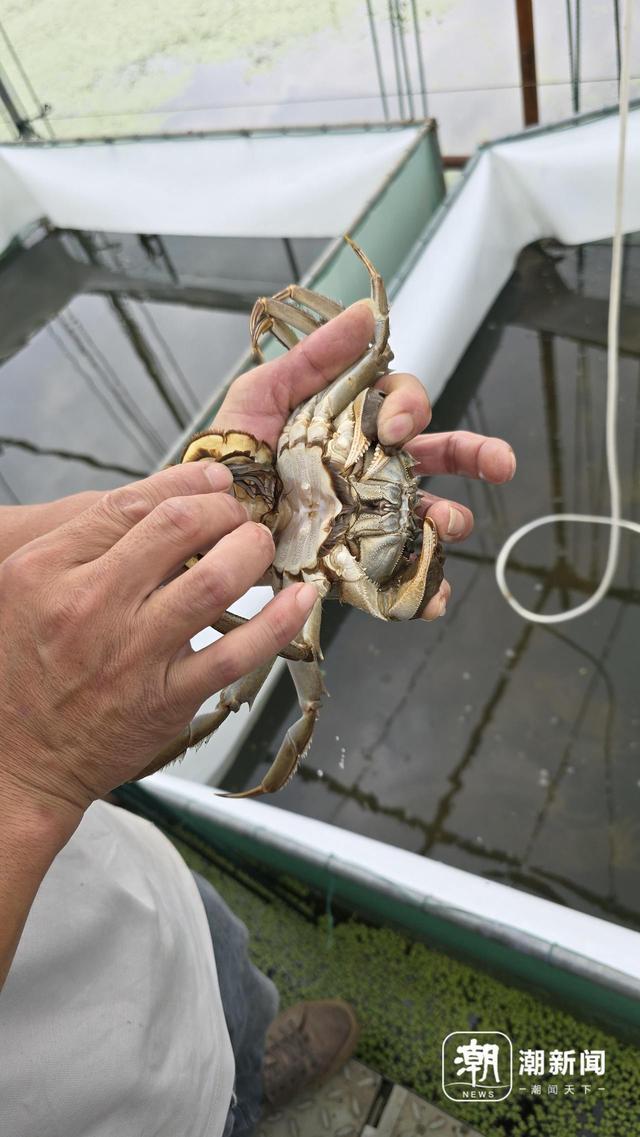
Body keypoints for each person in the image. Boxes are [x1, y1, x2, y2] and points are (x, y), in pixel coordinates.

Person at [0, 301, 515, 1135]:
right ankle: (229, 1106)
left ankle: (244, 1055)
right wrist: (28, 770)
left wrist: (203, 487)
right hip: (93, 1107)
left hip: (132, 892)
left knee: (218, 963)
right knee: (268, 685)